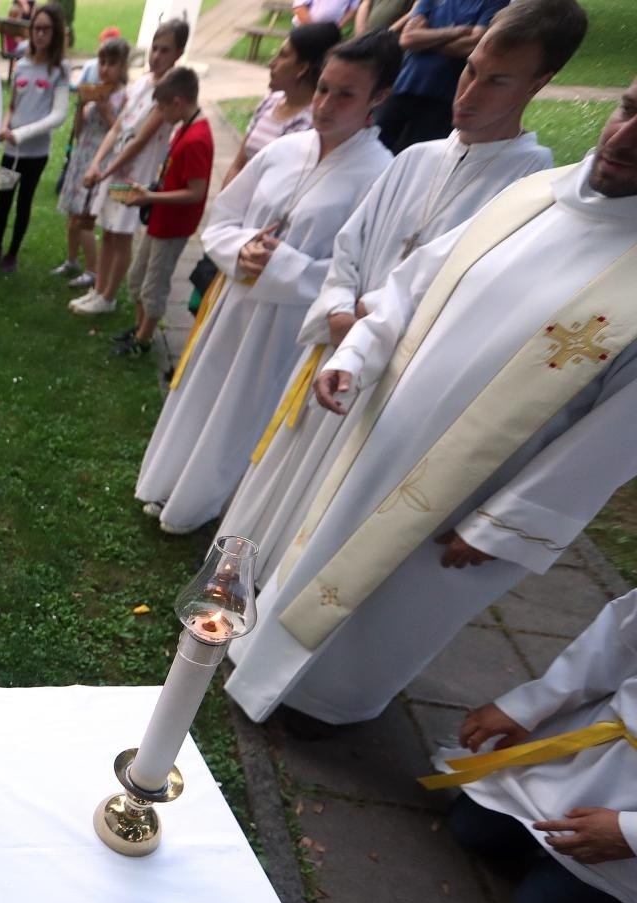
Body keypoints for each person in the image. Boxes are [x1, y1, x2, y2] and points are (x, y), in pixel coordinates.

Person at [223, 73, 637, 736]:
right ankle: (256, 662)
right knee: (321, 551)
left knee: (385, 609)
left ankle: (327, 707)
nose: (624, 136)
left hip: (471, 494)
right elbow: (417, 284)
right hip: (383, 431)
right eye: (628, 107)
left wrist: (509, 521)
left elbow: (617, 435)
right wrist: (355, 355)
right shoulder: (534, 197)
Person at [220, 0, 573, 588]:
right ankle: (240, 568)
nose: (470, 93)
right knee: (286, 466)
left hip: (396, 375)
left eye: (497, 81)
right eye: (470, 71)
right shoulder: (415, 157)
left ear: (541, 83)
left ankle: (285, 589)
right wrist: (337, 308)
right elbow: (350, 247)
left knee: (332, 497)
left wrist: (368, 323)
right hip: (336, 347)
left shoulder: (530, 185)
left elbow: (476, 289)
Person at [135, 32, 398, 536]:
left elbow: (364, 280)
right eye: (322, 88)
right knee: (203, 392)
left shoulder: (379, 176)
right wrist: (241, 249)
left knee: (241, 412)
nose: (324, 104)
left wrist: (282, 265)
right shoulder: (286, 150)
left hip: (287, 323)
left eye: (345, 94)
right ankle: (166, 482)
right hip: (234, 299)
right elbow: (224, 215)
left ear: (378, 97)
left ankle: (200, 503)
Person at [436, 589, 637, 903]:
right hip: (597, 749)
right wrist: (530, 705)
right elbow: (616, 642)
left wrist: (628, 833)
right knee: (470, 829)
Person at [70, 18, 185, 316]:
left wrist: (104, 171)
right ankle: (98, 289)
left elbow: (139, 141)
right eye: (154, 48)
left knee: (121, 234)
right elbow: (118, 127)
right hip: (114, 167)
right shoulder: (142, 83)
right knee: (108, 230)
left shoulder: (167, 94)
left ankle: (108, 296)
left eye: (165, 50)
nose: (156, 56)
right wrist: (97, 161)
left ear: (178, 54)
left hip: (136, 175)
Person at [110, 65, 212, 359]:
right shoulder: (185, 128)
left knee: (154, 286)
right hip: (160, 219)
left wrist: (150, 196)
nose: (160, 114)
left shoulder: (197, 139)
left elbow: (196, 192)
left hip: (173, 227)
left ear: (177, 103)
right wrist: (147, 189)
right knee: (137, 278)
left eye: (162, 107)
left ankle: (142, 342)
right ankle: (140, 327)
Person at [0, 2, 66, 273]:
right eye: (36, 28)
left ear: (55, 33)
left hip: (35, 152)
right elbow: (13, 105)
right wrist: (5, 128)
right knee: (3, 200)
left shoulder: (59, 70)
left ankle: (12, 253)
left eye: (46, 30)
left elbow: (59, 114)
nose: (40, 34)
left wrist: (21, 133)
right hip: (12, 149)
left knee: (23, 202)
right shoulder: (22, 64)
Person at [375, 0, 508, 153]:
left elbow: (474, 46)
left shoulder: (494, 3)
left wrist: (425, 40)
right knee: (375, 149)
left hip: (444, 98)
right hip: (403, 86)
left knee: (419, 158)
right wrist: (459, 31)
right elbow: (408, 38)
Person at [221, 22, 338, 189]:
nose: (271, 63)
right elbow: (238, 165)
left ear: (302, 68)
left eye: (282, 56)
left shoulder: (312, 124)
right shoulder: (270, 102)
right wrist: (225, 208)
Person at [52, 33, 126, 286]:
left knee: (84, 220)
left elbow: (122, 133)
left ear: (122, 66)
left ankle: (93, 270)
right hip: (81, 156)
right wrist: (80, 108)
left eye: (111, 63)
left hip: (99, 162)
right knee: (72, 216)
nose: (105, 69)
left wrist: (106, 110)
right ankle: (71, 260)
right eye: (102, 62)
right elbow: (78, 131)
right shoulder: (95, 91)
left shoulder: (123, 97)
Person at [293, 0, 357, 25]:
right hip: (303, 30)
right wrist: (313, 31)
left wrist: (338, 26)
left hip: (329, 33)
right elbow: (299, 7)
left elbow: (352, 8)